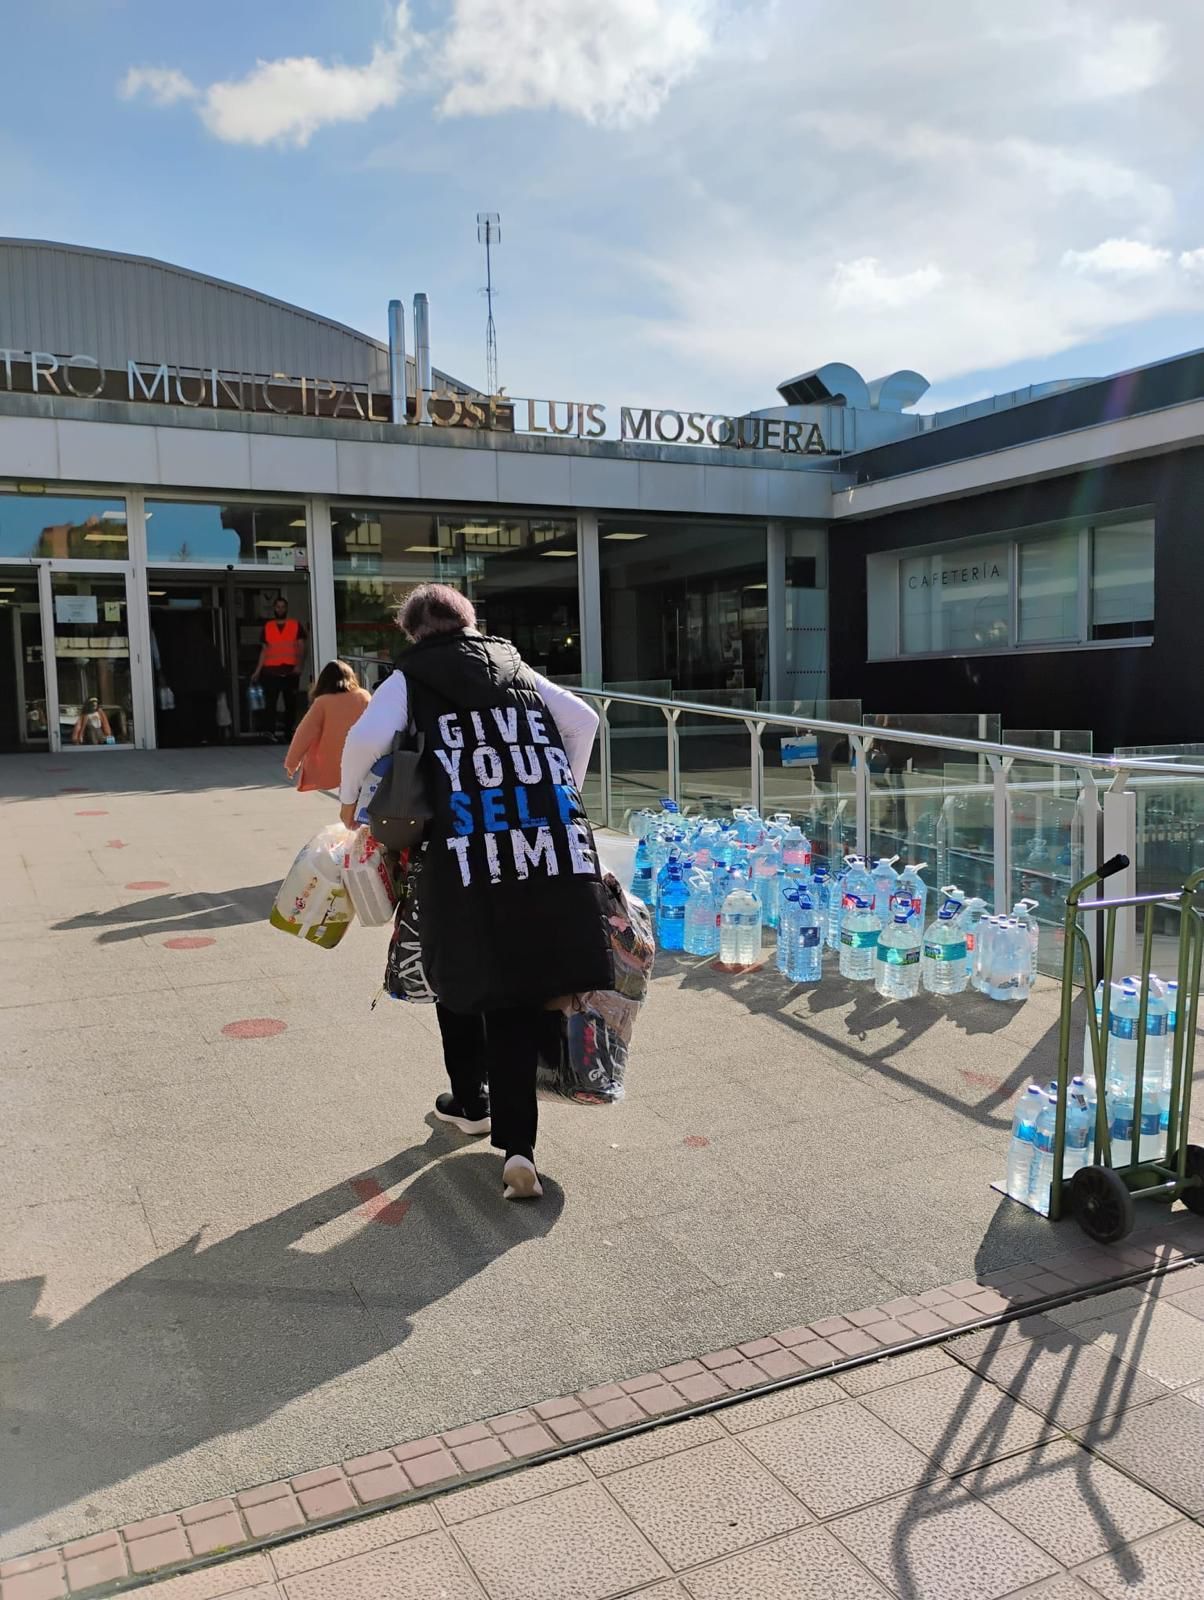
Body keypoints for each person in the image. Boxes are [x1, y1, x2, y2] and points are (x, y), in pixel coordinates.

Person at [340, 584, 613, 1201]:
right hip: (541, 844)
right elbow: (582, 718)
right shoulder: (512, 664)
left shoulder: (409, 677)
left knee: (456, 962)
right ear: (469, 624)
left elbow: (364, 740)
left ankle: (470, 1101)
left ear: (413, 634)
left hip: (460, 849)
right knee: (515, 990)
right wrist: (552, 788)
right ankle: (519, 1148)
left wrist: (349, 806)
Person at [284, 661, 370, 792]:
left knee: (347, 796)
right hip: (363, 755)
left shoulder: (322, 702)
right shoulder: (363, 696)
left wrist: (292, 762)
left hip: (335, 759)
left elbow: (304, 733)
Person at [252, 596, 306, 742]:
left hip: (290, 670)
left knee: (290, 703)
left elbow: (301, 647)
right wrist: (258, 670)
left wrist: (299, 665)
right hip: (271, 671)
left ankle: (288, 733)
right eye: (278, 607)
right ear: (274, 609)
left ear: (286, 609)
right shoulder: (268, 627)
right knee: (270, 703)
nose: (280, 609)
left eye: (283, 607)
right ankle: (270, 732)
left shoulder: (295, 625)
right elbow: (264, 650)